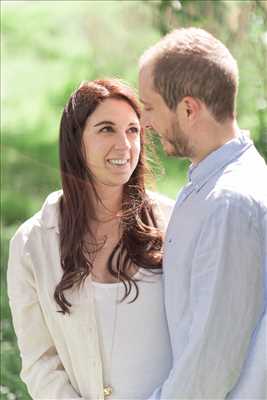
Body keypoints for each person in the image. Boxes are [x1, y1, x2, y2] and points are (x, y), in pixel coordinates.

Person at [7, 79, 174, 399]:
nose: (124, 145)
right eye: (106, 129)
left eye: (133, 130)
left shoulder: (175, 222)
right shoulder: (32, 244)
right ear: (76, 141)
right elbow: (40, 362)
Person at [139, 27, 267, 399]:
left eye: (149, 107)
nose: (145, 123)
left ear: (189, 109)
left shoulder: (228, 204)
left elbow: (210, 364)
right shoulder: (210, 185)